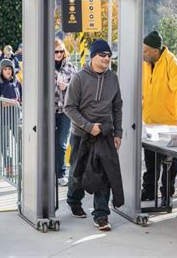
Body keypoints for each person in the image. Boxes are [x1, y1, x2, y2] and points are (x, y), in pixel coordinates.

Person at [64, 39, 123, 231]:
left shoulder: (113, 78)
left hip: (105, 135)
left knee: (104, 175)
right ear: (93, 56)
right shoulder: (79, 78)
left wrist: (118, 132)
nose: (107, 58)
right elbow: (69, 108)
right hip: (82, 135)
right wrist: (89, 126)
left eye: (109, 56)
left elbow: (117, 107)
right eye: (103, 55)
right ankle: (74, 201)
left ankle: (101, 215)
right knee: (77, 173)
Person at [141, 31, 177, 207]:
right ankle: (148, 191)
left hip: (169, 125)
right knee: (151, 163)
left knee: (169, 164)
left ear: (155, 50)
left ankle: (167, 195)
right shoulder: (146, 65)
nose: (143, 53)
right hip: (150, 123)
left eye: (145, 50)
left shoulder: (172, 64)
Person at [0, 58, 23, 177]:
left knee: (20, 142)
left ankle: (21, 165)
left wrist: (17, 103)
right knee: (5, 145)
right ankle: (8, 168)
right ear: (1, 71)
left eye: (9, 68)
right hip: (4, 118)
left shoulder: (17, 83)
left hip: (15, 117)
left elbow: (21, 99)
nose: (8, 71)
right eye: (5, 69)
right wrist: (8, 102)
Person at [53, 39, 77, 187]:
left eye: (61, 51)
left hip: (64, 111)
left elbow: (77, 90)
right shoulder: (43, 67)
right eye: (56, 51)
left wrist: (66, 87)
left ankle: (61, 174)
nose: (59, 54)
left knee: (61, 143)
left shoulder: (70, 68)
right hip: (48, 111)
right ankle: (49, 172)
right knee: (48, 142)